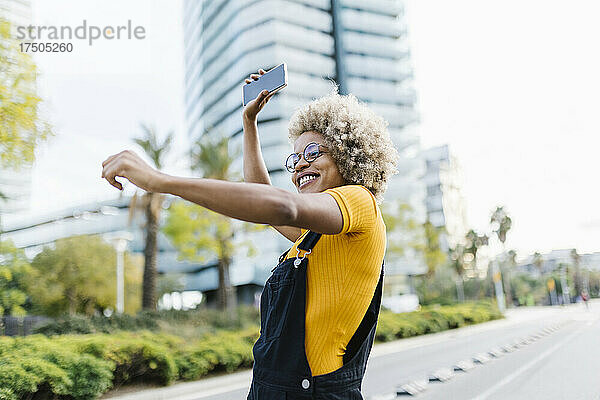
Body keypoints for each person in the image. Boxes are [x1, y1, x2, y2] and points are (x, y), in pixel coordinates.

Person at [101, 67, 398, 399]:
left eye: (313, 153)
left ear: (347, 156)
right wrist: (249, 124)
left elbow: (281, 207)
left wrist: (162, 182)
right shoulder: (313, 234)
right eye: (295, 158)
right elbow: (264, 197)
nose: (300, 164)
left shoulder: (360, 202)